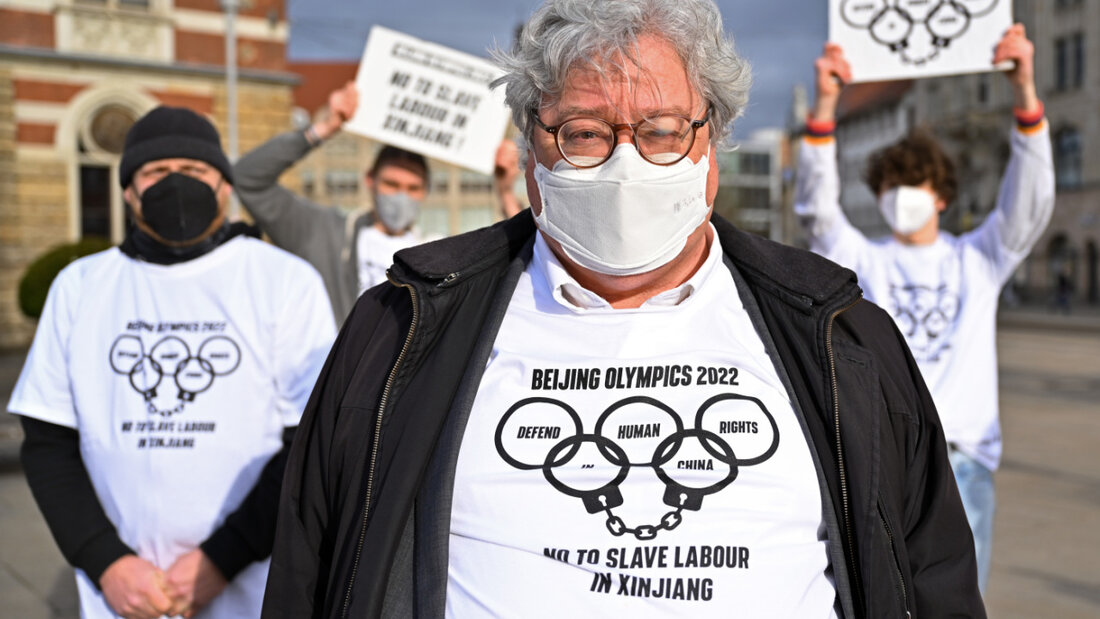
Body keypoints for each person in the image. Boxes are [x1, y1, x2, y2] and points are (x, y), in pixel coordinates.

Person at [264, 1, 984, 617]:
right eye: (583, 132)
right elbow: (309, 568)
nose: (623, 162)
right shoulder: (400, 329)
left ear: (714, 145)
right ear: (530, 151)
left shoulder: (839, 335)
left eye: (662, 129)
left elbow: (932, 573)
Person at [8, 106, 336, 619]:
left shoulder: (284, 281)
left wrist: (221, 560)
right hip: (120, 597)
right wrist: (106, 562)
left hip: (251, 590)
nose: (176, 183)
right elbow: (49, 443)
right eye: (156, 172)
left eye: (196, 170)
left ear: (224, 186)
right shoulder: (80, 286)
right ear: (128, 191)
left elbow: (311, 443)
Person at [794, 25, 1055, 593]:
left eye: (913, 184)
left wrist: (1026, 91)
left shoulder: (979, 259)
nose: (901, 195)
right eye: (890, 185)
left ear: (941, 194)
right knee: (878, 595)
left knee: (956, 598)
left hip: (962, 457)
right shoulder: (862, 261)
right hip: (880, 456)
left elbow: (1029, 202)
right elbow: (817, 209)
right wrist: (827, 106)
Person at [233, 82, 429, 323]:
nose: (401, 196)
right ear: (370, 180)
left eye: (413, 188)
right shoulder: (323, 232)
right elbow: (247, 178)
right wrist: (320, 130)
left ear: (426, 191)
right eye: (391, 184)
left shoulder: (435, 254)